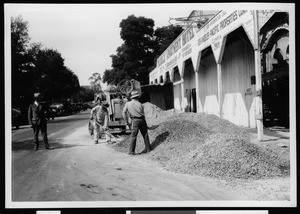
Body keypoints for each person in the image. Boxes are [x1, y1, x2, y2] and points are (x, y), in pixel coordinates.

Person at [122, 90, 151, 155]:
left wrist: (126, 121)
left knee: (133, 136)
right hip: (142, 120)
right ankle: (148, 149)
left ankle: (131, 151)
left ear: (132, 97)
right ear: (137, 97)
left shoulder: (128, 104)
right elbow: (143, 114)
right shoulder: (141, 104)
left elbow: (123, 113)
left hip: (135, 121)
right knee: (145, 135)